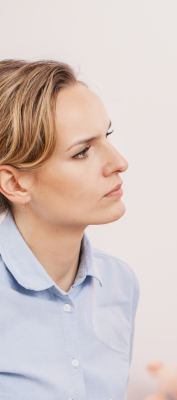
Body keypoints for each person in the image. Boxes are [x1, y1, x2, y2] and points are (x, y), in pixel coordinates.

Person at [0, 60, 138, 400]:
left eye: (107, 136)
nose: (120, 162)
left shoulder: (120, 284)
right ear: (15, 183)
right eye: (82, 152)